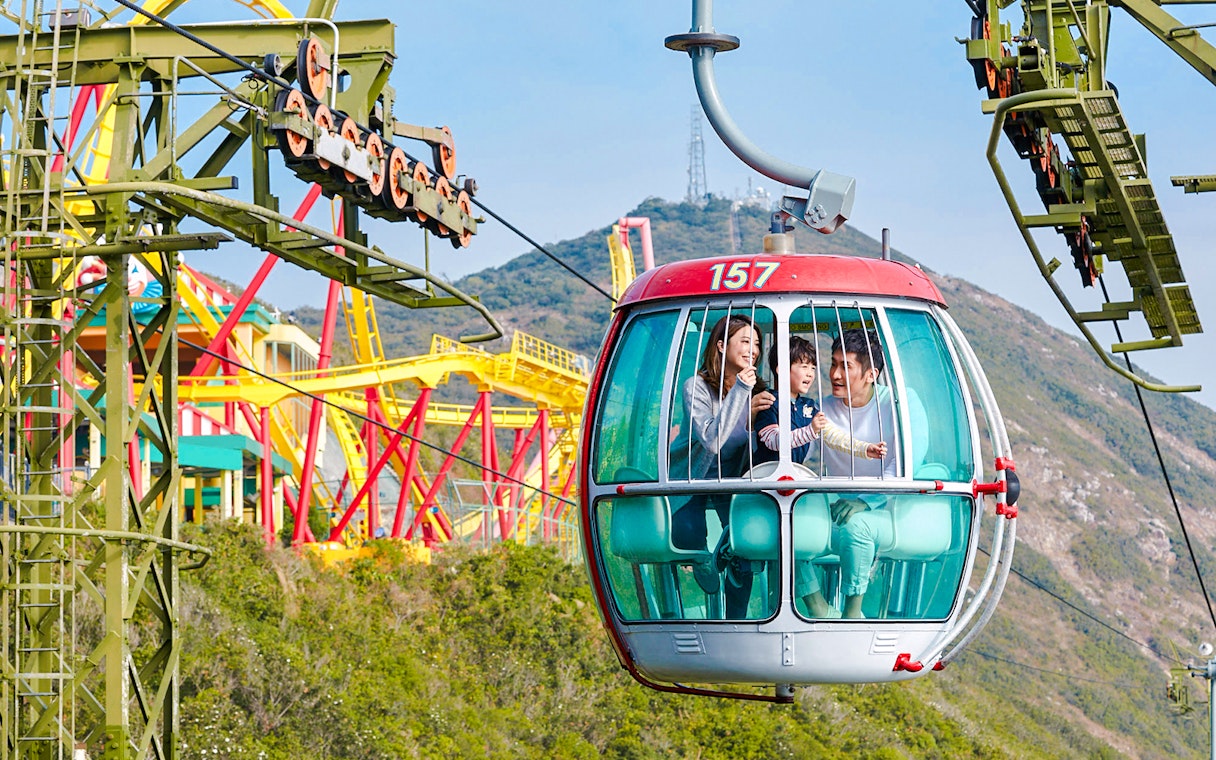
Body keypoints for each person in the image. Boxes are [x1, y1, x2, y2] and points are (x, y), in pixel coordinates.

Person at [798, 328, 928, 619]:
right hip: (838, 509)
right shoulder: (823, 410)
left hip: (889, 510)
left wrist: (866, 500)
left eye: (846, 367)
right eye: (833, 363)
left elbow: (906, 462)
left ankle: (852, 613)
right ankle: (816, 605)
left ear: (871, 374)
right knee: (786, 525)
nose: (835, 374)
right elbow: (800, 454)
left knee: (857, 527)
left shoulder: (900, 405)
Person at [668, 314, 775, 617]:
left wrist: (753, 419)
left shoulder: (756, 390)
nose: (752, 350)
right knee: (687, 532)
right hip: (695, 479)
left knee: (745, 546)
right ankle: (704, 559)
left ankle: (736, 618)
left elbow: (760, 446)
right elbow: (712, 440)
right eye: (744, 341)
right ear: (720, 345)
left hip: (731, 480)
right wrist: (742, 398)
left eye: (756, 344)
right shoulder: (696, 387)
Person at [753, 336, 886, 467]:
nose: (810, 374)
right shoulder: (768, 402)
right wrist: (810, 431)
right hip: (765, 475)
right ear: (781, 369)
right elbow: (774, 441)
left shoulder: (809, 406)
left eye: (813, 368)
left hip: (791, 476)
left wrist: (864, 449)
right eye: (804, 367)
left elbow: (834, 436)